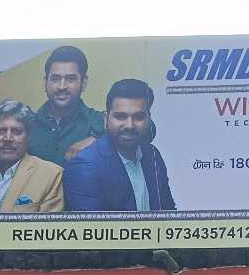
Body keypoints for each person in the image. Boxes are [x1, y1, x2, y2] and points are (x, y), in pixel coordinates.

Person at [62, 80, 176, 213]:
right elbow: (92, 226)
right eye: (120, 117)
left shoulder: (152, 155)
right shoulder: (84, 166)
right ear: (106, 119)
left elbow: (169, 213)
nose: (129, 125)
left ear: (148, 119)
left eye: (138, 117)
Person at [26, 46, 103, 166]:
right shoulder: (28, 124)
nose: (62, 87)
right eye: (55, 79)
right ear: (45, 82)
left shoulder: (99, 121)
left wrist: (98, 142)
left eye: (70, 79)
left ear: (83, 82)